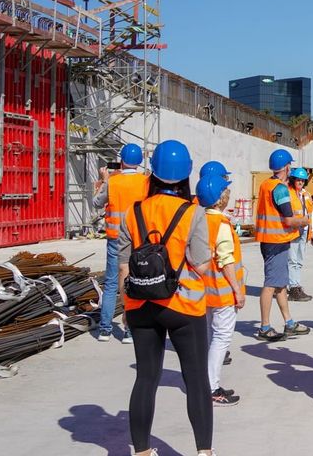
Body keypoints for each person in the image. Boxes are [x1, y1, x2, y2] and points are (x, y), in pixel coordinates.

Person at [116, 140, 214, 456]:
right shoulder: (193, 212)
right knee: (196, 379)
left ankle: (142, 451)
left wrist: (124, 306)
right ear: (186, 174)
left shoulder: (133, 213)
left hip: (141, 305)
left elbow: (122, 267)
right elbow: (200, 264)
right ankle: (204, 452)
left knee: (146, 378)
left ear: (153, 173)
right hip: (183, 305)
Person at [254, 148, 312, 342]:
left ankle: (289, 322)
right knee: (271, 284)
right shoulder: (280, 189)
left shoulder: (265, 185)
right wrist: (304, 221)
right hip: (276, 242)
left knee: (280, 285)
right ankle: (264, 327)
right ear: (287, 167)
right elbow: (288, 220)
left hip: (269, 240)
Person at [93, 143, 149, 343]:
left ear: (122, 161)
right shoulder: (145, 182)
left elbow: (97, 203)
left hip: (115, 237)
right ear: (139, 162)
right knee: (135, 282)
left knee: (111, 282)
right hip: (137, 237)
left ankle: (105, 330)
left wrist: (103, 180)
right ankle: (130, 330)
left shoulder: (113, 182)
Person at [198, 173, 245, 407]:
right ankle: (212, 388)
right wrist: (237, 290)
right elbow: (226, 260)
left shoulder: (199, 219)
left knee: (209, 336)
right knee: (221, 338)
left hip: (203, 290)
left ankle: (206, 382)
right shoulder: (222, 225)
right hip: (222, 291)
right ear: (220, 198)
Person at [286, 167, 313, 303]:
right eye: (298, 180)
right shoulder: (288, 193)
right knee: (292, 259)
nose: (300, 182)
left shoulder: (306, 194)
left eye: (302, 180)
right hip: (293, 230)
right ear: (293, 180)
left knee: (299, 259)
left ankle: (296, 284)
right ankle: (293, 287)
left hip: (304, 230)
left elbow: (311, 214)